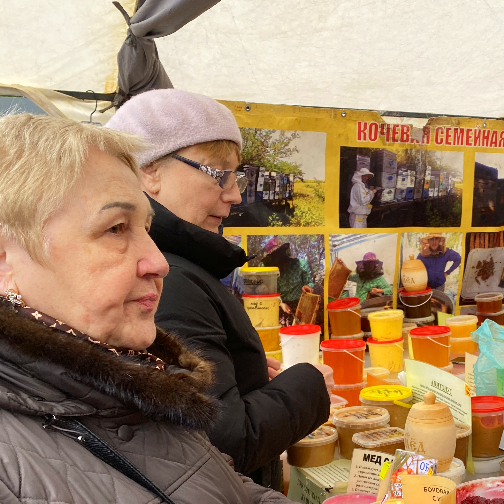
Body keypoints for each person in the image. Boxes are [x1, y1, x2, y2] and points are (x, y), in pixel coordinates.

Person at [0, 113, 291, 502]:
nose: (159, 262)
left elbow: (222, 488)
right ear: (5, 262)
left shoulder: (131, 376)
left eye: (147, 229)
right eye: (116, 228)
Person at [107, 89, 329, 491]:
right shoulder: (168, 277)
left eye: (237, 176)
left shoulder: (180, 265)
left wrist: (246, 377)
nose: (235, 194)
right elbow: (225, 441)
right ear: (148, 172)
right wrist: (309, 383)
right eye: (217, 173)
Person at [261, 237, 315, 326]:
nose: (278, 258)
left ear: (284, 252)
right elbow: (270, 293)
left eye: (279, 253)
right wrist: (281, 303)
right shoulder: (271, 271)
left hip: (301, 305)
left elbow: (309, 282)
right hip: (282, 308)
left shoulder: (300, 264)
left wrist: (308, 286)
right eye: (274, 256)